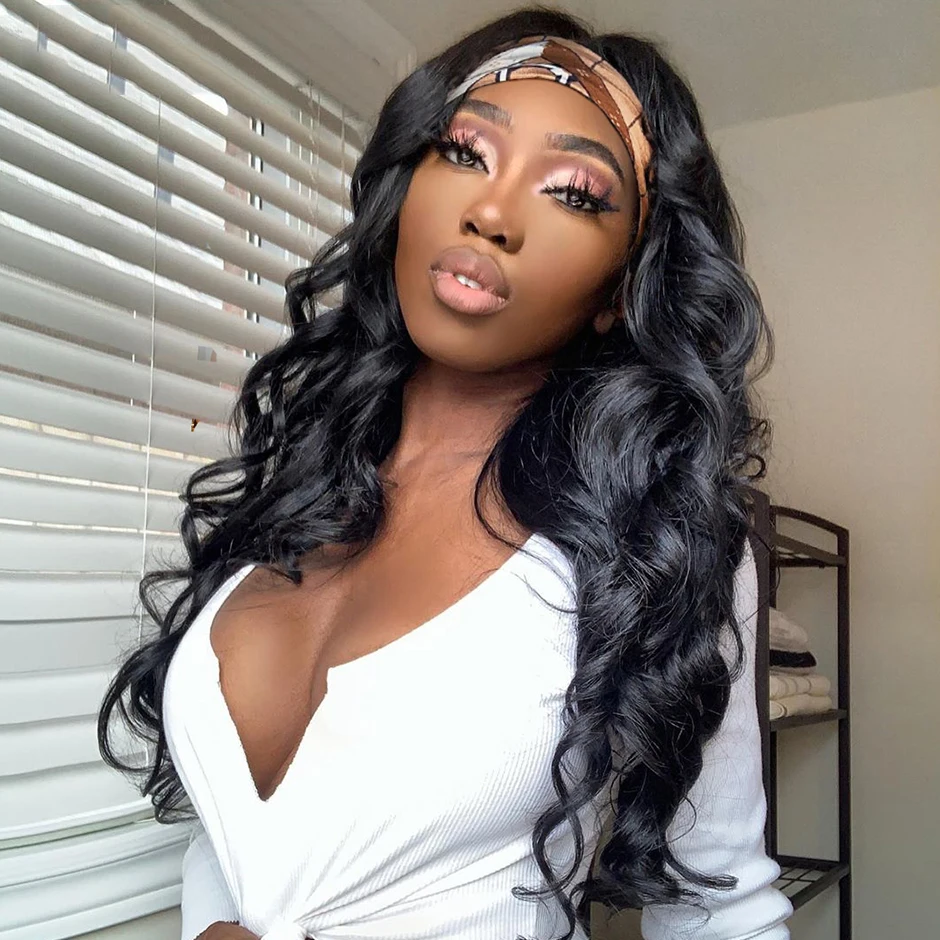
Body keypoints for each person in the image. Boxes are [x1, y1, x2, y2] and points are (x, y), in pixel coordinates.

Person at [98, 8, 794, 940]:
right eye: (466, 152)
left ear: (619, 289)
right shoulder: (298, 481)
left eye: (574, 193)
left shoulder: (657, 542)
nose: (492, 214)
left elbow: (721, 908)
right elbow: (243, 842)